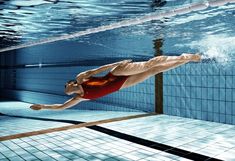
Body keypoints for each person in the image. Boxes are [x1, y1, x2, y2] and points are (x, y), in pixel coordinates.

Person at [30, 53, 201, 110]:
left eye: (64, 85)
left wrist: (117, 64)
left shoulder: (80, 78)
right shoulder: (79, 98)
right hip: (121, 85)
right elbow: (60, 107)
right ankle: (186, 59)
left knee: (149, 64)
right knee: (153, 71)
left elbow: (98, 70)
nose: (64, 89)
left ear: (70, 84)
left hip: (115, 74)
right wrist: (42, 106)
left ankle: (182, 56)